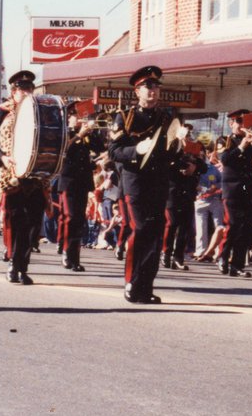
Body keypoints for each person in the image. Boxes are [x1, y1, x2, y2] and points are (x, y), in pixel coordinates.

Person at [107, 65, 183, 303]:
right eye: (148, 86)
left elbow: (170, 154)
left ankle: (146, 286)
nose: (153, 90)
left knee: (155, 235)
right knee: (140, 230)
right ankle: (132, 281)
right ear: (137, 91)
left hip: (158, 182)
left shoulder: (166, 118)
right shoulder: (125, 117)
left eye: (156, 86)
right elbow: (114, 151)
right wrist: (135, 150)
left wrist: (179, 146)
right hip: (136, 182)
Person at [0, 70, 47, 285]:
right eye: (23, 89)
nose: (27, 92)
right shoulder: (3, 112)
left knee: (33, 223)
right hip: (11, 175)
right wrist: (2, 157)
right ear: (14, 91)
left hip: (36, 175)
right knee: (17, 221)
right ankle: (14, 263)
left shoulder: (40, 112)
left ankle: (23, 267)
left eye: (30, 89)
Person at [218, 109, 252, 277]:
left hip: (248, 190)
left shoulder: (251, 141)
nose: (242, 125)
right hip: (232, 190)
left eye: (244, 122)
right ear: (231, 123)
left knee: (245, 228)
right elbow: (226, 160)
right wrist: (242, 146)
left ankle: (237, 265)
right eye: (239, 121)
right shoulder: (226, 140)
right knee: (233, 225)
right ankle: (223, 257)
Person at [57, 112, 105, 272]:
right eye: (76, 116)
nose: (80, 119)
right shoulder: (64, 132)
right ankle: (66, 251)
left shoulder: (87, 136)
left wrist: (92, 132)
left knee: (79, 220)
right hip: (68, 182)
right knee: (70, 217)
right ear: (69, 118)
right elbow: (64, 152)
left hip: (83, 182)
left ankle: (75, 257)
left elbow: (100, 148)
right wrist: (79, 135)